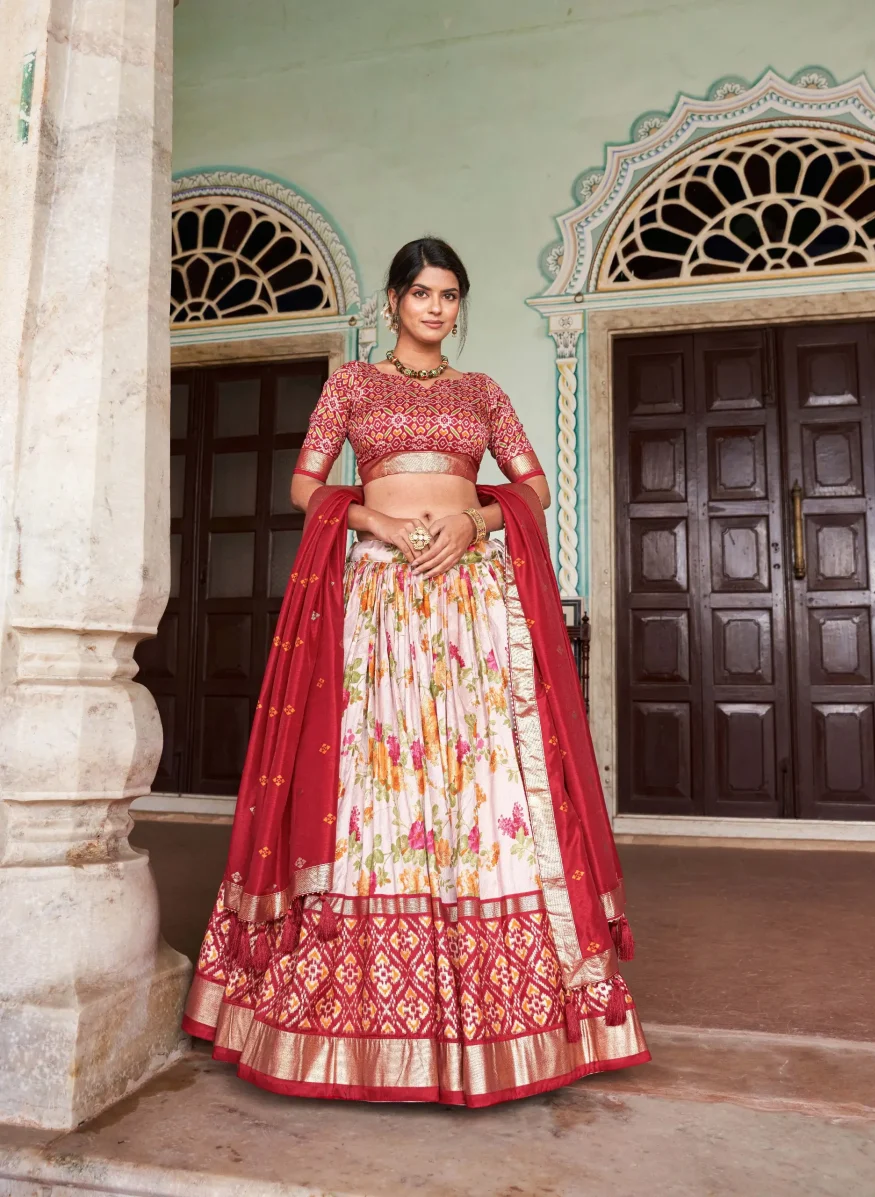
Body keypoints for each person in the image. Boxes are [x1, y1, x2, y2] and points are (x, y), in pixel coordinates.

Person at [182, 237, 649, 1105]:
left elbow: (534, 487)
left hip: (470, 604)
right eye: (422, 293)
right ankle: (343, 1008)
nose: (437, 308)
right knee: (377, 771)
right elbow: (302, 488)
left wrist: (479, 522)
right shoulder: (353, 386)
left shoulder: (483, 393)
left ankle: (505, 1009)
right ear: (394, 300)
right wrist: (378, 525)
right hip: (379, 599)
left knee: (478, 779)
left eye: (450, 295)